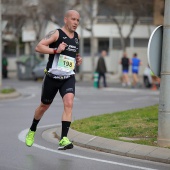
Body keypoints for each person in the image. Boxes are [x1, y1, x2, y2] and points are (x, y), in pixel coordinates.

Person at [25, 10, 82, 150]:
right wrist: (56, 50)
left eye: (78, 20)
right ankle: (32, 129)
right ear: (66, 19)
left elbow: (72, 55)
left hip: (68, 77)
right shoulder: (56, 33)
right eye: (73, 19)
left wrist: (77, 59)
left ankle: (63, 138)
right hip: (52, 77)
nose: (75, 23)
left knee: (69, 103)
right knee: (44, 106)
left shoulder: (76, 37)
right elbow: (38, 47)